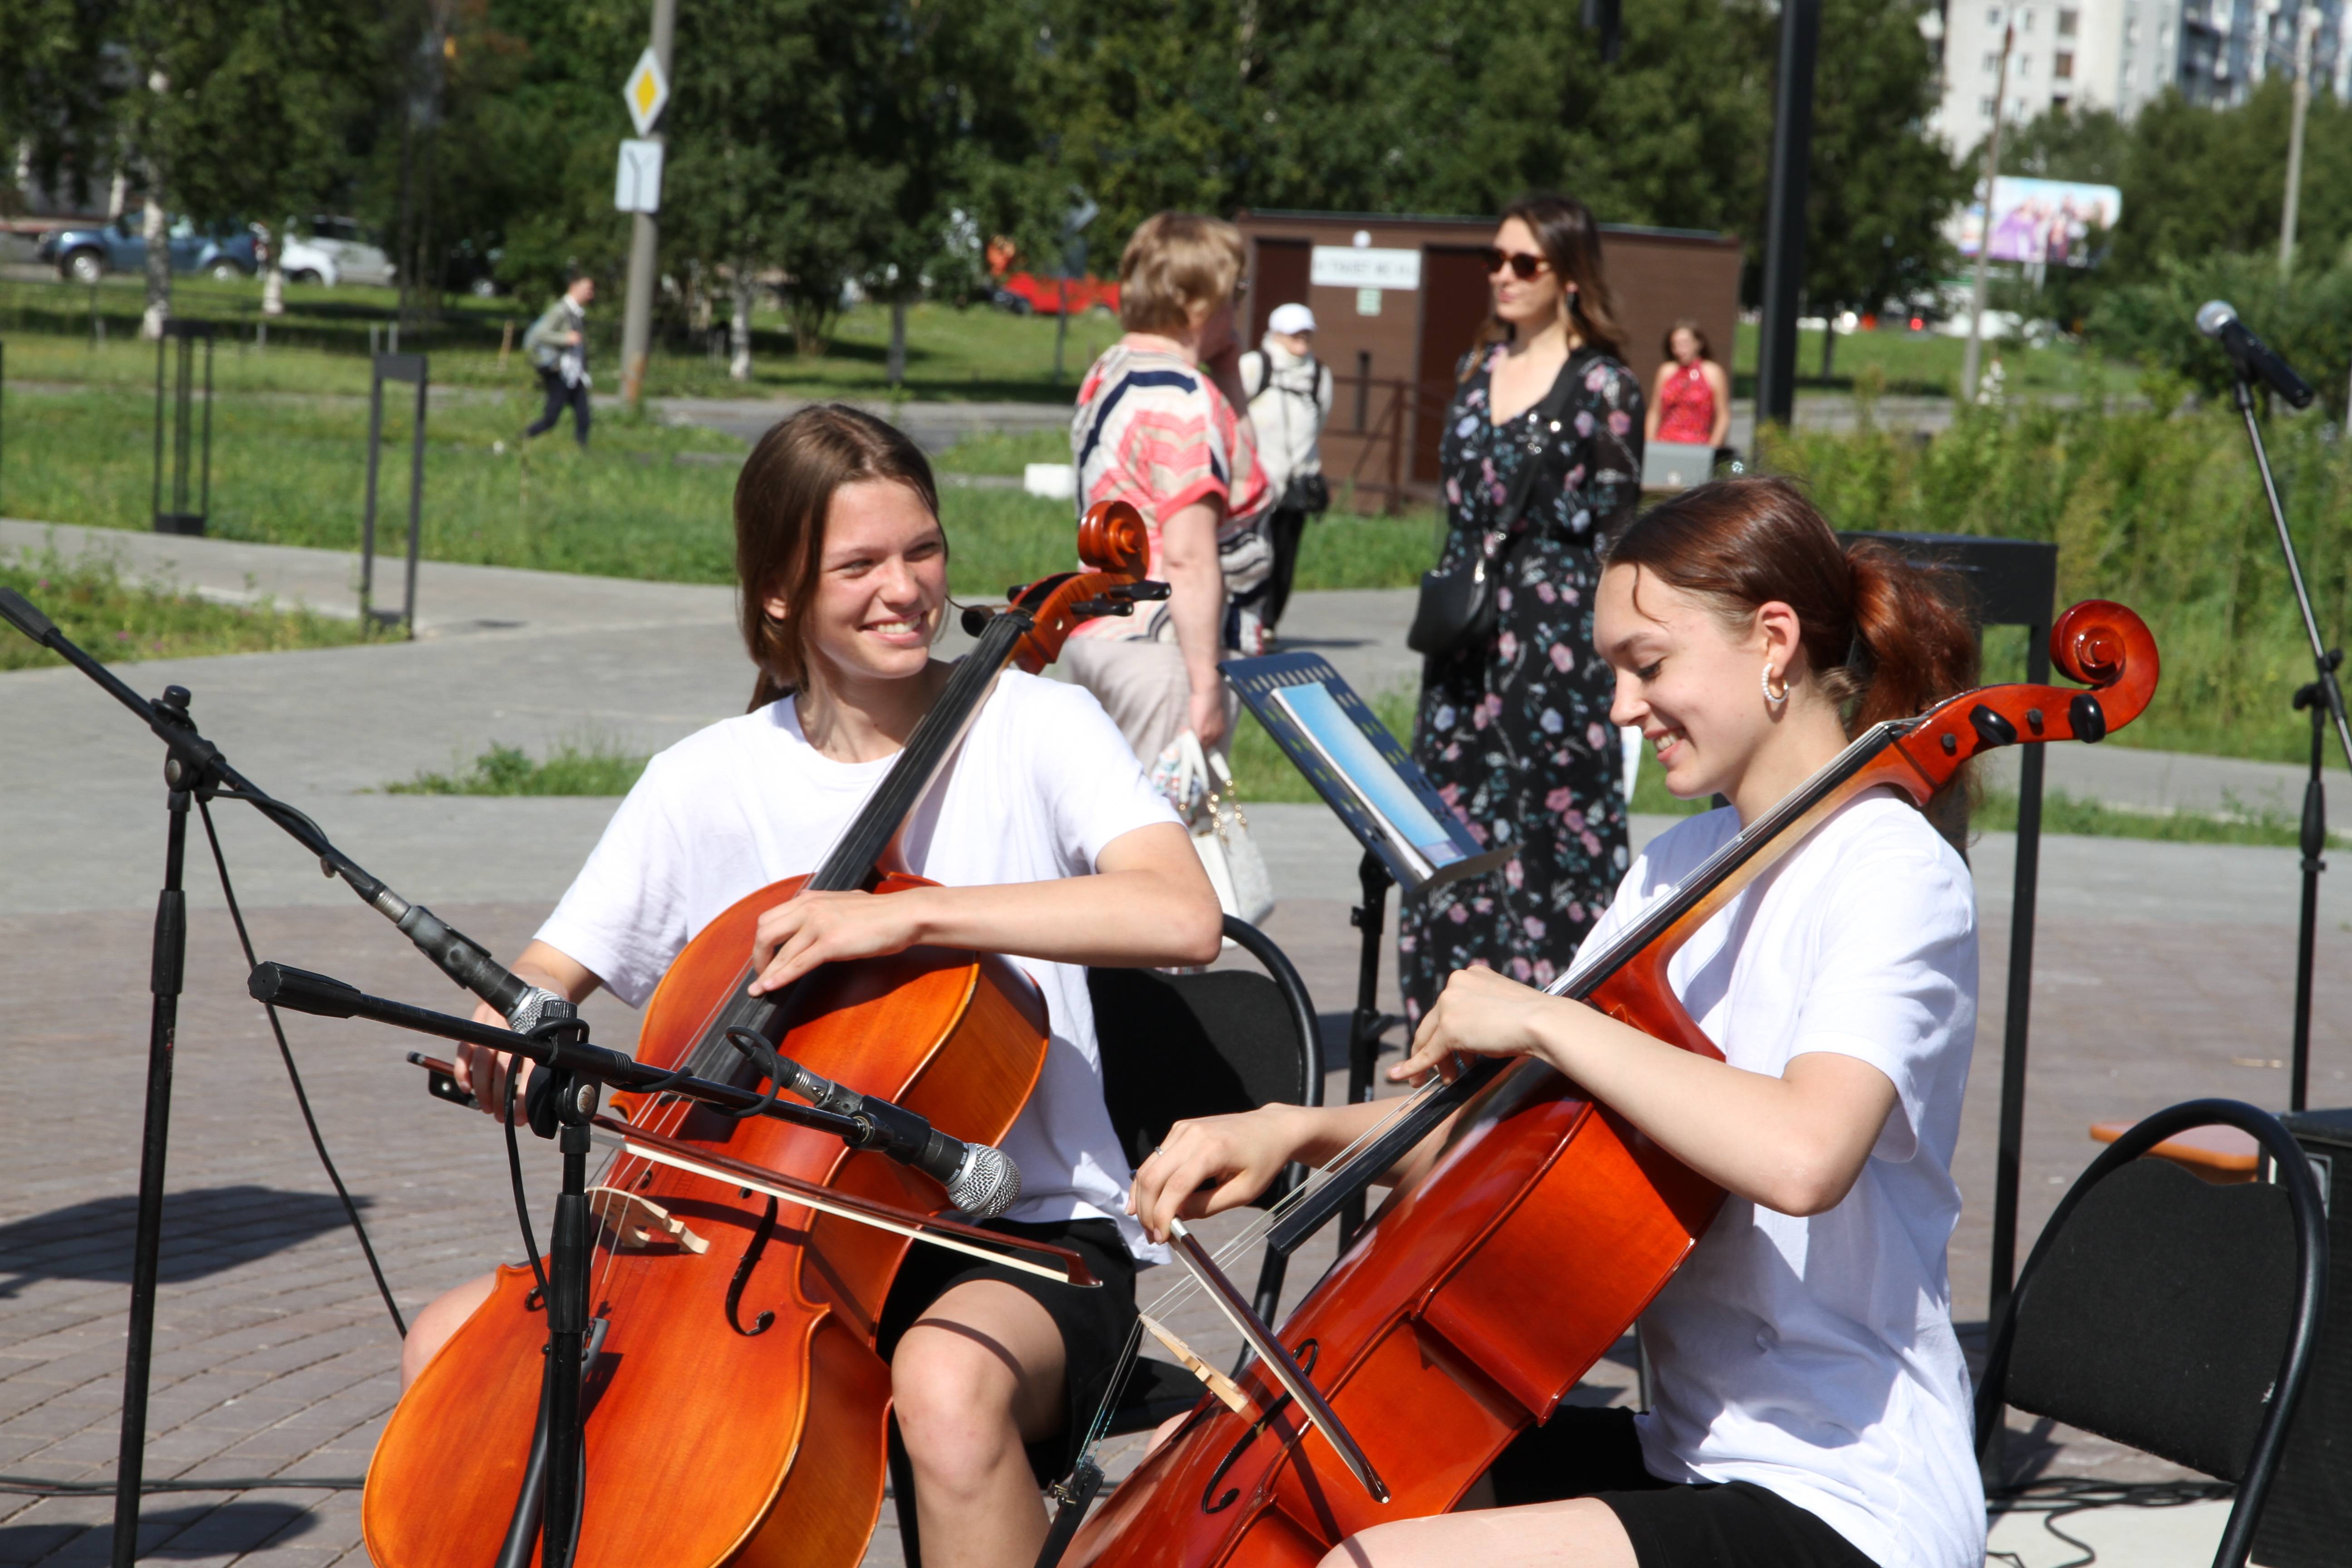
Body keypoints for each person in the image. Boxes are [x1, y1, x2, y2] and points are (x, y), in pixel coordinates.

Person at [398, 404, 1225, 1568]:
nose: (907, 589)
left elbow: (1179, 914)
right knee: (451, 1342)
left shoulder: (1037, 725)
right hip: (753, 1232)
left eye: (922, 550)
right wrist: (510, 1019)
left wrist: (912, 911)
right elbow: (552, 963)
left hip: (1023, 1231)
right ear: (779, 591)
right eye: (860, 564)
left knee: (942, 1382)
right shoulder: (707, 778)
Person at [1131, 475, 1985, 1568]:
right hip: (1690, 1448)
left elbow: (1802, 1150)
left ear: (1772, 641)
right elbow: (1515, 1144)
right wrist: (1291, 1130)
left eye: (1648, 664)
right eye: (1614, 673)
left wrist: (1544, 1017)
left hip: (1842, 1491)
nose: (1622, 708)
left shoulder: (1890, 867)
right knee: (1238, 1459)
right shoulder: (1675, 871)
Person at [1401, 192, 1644, 1024]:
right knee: (1450, 825)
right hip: (1463, 639)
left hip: (1557, 645)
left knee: (1550, 826)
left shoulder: (1605, 385)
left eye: (1523, 263)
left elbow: (1620, 536)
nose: (1502, 276)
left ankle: (1552, 1019)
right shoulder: (1477, 376)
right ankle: (1441, 1013)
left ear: (1568, 276)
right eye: (1493, 260)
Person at [1064, 211, 1271, 769]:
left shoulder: (1113, 370)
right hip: (1165, 651)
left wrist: (1225, 371)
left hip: (1101, 633)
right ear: (1195, 301)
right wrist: (1204, 686)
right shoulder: (1183, 396)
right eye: (1237, 291)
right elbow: (1188, 555)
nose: (1241, 306)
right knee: (1164, 845)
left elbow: (1239, 465)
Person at [1239, 301, 1334, 637]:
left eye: (1307, 332)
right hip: (1255, 483)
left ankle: (1269, 624)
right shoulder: (1254, 366)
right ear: (1276, 333)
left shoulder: (1319, 375)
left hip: (1296, 486)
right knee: (1250, 554)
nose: (1303, 339)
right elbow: (1233, 411)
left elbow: (1320, 419)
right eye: (1295, 333)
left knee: (1284, 558)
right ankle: (1243, 618)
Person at [523, 274, 595, 448]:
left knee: (584, 417)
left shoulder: (576, 312)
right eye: (588, 290)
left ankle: (582, 454)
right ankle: (519, 441)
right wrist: (565, 338)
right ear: (573, 287)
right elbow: (541, 333)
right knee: (551, 418)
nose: (591, 294)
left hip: (573, 372)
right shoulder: (560, 310)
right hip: (558, 371)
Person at [1646, 319, 1731, 451]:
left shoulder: (1713, 372)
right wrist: (1650, 444)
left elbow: (1723, 416)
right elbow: (1654, 411)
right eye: (1675, 345)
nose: (1679, 350)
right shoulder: (1666, 371)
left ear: (1698, 344)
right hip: (1665, 443)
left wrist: (1712, 449)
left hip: (1698, 446)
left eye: (1684, 344)